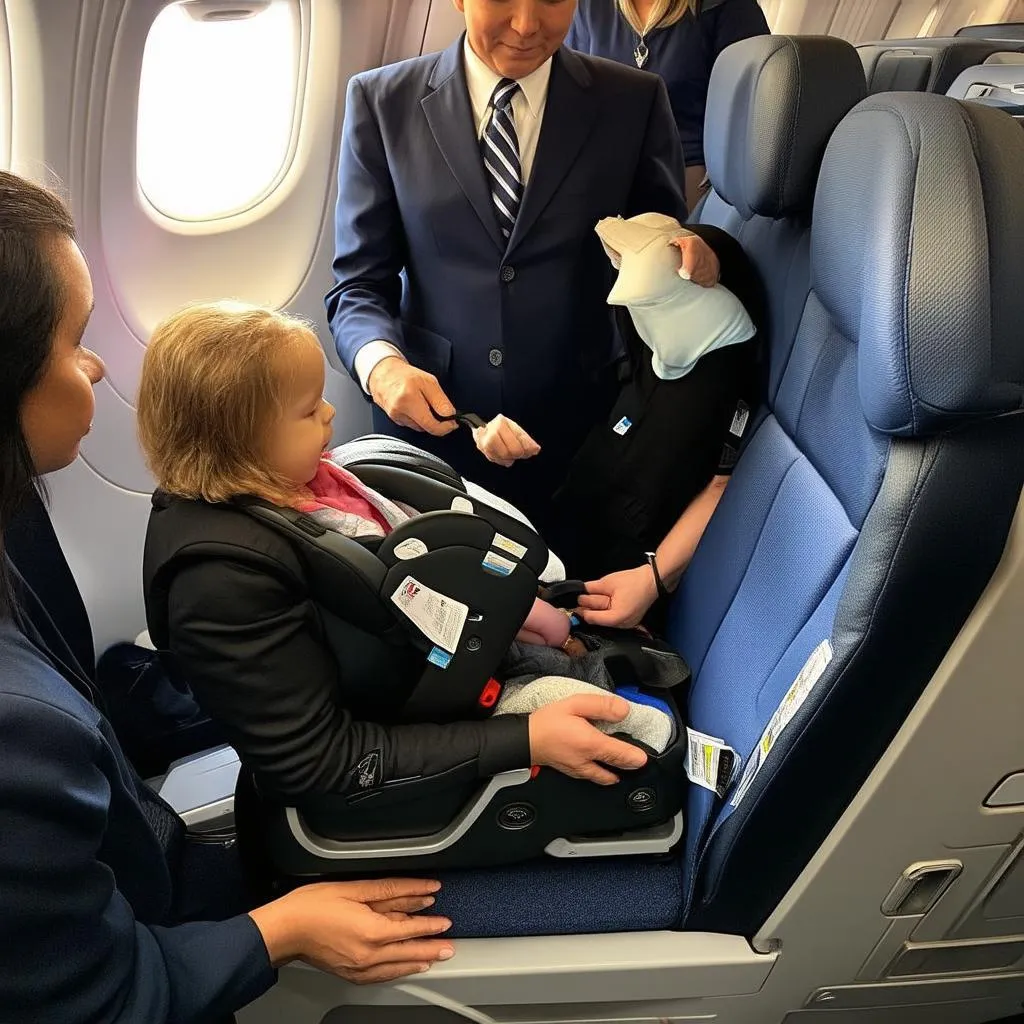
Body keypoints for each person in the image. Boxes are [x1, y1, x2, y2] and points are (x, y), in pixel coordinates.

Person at [0, 170, 462, 1024]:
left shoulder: (15, 522)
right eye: (72, 342)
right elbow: (102, 1002)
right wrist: (278, 931)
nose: (98, 367)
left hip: (140, 862)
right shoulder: (16, 734)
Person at [137, 299, 654, 832]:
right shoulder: (220, 583)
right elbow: (319, 762)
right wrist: (525, 740)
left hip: (435, 667)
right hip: (398, 751)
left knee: (615, 657)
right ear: (242, 441)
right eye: (310, 409)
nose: (331, 413)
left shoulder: (303, 487)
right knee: (642, 738)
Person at [325, 0, 723, 535]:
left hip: (578, 421)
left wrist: (693, 252)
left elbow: (663, 239)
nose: (527, 24)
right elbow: (358, 283)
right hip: (437, 424)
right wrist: (382, 367)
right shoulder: (382, 101)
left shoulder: (634, 101)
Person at [555, 211, 764, 629]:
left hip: (635, 557)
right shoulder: (644, 348)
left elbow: (722, 482)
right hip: (581, 513)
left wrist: (652, 578)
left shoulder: (725, 369)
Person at [566, 0, 770, 211]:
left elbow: (753, 112)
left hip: (688, 173)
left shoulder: (726, 7)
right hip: (601, 172)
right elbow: (571, 101)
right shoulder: (585, 7)